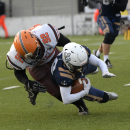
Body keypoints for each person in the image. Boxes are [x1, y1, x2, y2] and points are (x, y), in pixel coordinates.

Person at [6, 23, 98, 115]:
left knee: (67, 78)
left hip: (53, 56)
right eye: (30, 56)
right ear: (20, 54)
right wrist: (28, 82)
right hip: (36, 68)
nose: (35, 56)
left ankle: (90, 69)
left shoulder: (45, 34)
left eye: (35, 51)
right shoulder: (14, 55)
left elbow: (69, 45)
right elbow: (18, 73)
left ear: (36, 41)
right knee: (55, 90)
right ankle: (80, 104)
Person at [51, 42, 118, 115]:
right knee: (103, 97)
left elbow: (98, 61)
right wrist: (84, 92)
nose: (82, 68)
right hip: (72, 78)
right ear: (68, 64)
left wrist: (105, 71)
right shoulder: (63, 75)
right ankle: (104, 96)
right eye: (78, 66)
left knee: (93, 66)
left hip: (75, 71)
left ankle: (90, 69)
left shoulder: (80, 52)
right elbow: (66, 99)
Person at [82, 0, 128, 68]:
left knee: (110, 39)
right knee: (109, 33)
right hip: (104, 16)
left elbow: (123, 7)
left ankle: (97, 53)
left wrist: (113, 2)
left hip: (116, 18)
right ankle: (106, 60)